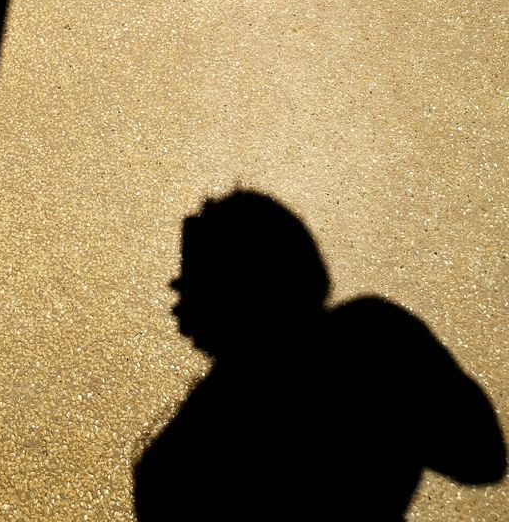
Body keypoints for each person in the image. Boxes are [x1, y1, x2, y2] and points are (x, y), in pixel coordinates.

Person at [133, 191, 506, 520]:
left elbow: (481, 458)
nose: (180, 315)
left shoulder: (201, 428)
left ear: (243, 290)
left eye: (194, 290)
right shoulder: (373, 340)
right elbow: (480, 459)